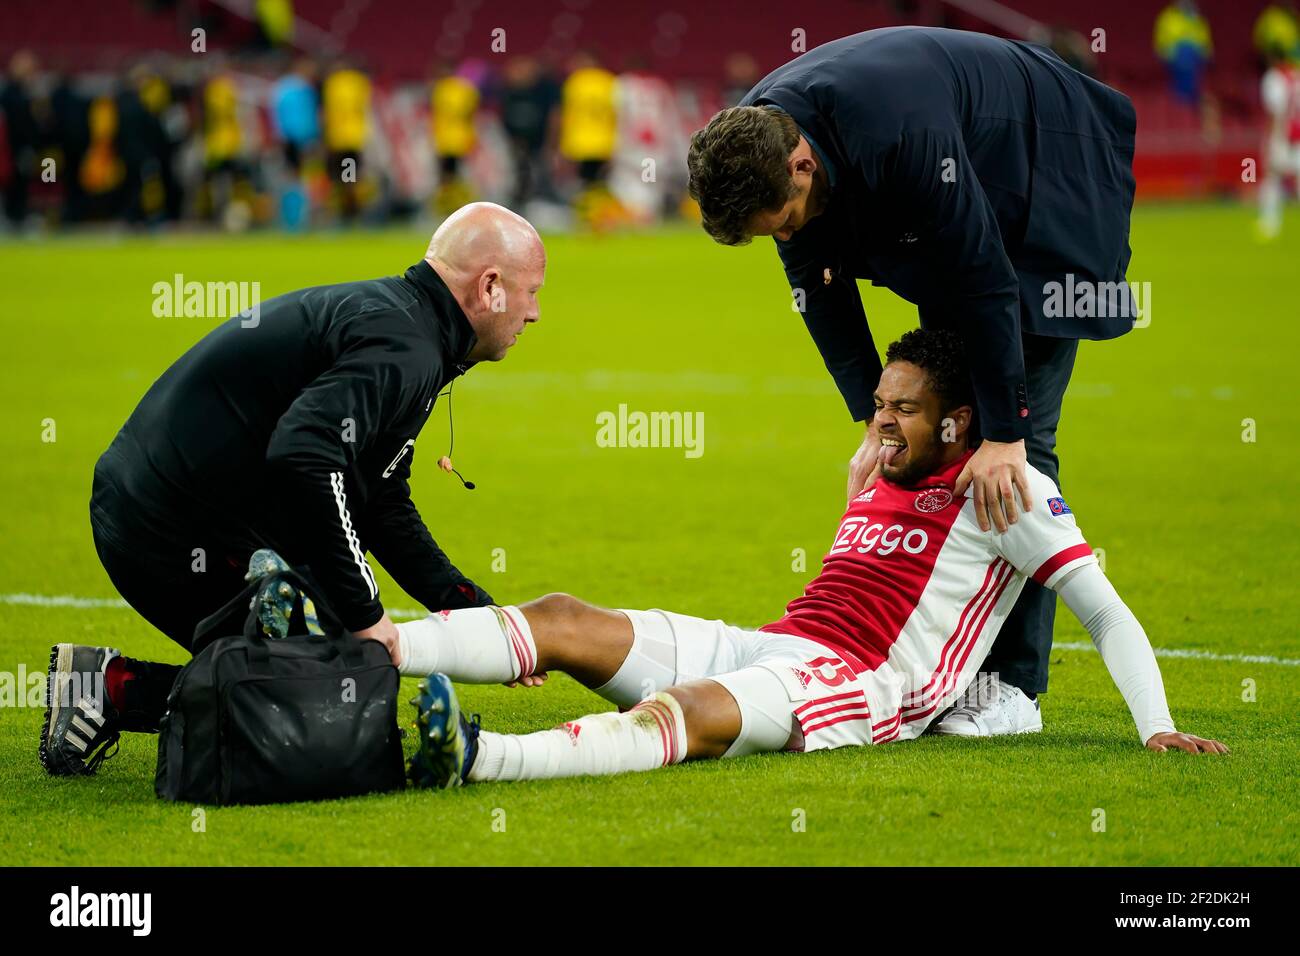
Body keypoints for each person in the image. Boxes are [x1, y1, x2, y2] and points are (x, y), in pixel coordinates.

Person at [393, 329, 1227, 789]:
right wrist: (873, 449)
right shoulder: (876, 463)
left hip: (857, 685)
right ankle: (370, 647)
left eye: (906, 410)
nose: (883, 424)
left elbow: (1105, 611)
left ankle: (481, 759)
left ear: (960, 423)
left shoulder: (1005, 493)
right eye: (878, 407)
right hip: (774, 641)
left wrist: (1156, 728)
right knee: (564, 616)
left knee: (690, 710)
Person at [686, 27, 1139, 736]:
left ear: (802, 166)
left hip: (1050, 170)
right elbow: (816, 281)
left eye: (783, 221)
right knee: (946, 424)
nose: (785, 236)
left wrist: (1006, 434)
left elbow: (986, 279)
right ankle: (953, 657)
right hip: (958, 188)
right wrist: (878, 421)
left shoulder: (900, 136)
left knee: (1011, 445)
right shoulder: (758, 138)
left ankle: (1014, 689)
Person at [40, 203, 546, 776]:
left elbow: (379, 499)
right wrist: (365, 611)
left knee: (345, 681)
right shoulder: (406, 346)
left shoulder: (408, 327)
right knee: (341, 695)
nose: (534, 314)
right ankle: (108, 689)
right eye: (531, 292)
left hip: (166, 506)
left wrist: (471, 612)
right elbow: (305, 454)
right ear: (490, 287)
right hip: (164, 523)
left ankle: (104, 688)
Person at [1257, 48, 1300, 240]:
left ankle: (1270, 223)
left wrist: (1270, 140)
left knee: (1272, 176)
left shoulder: (1273, 78)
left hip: (1283, 134)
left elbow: (1276, 111)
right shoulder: (1297, 75)